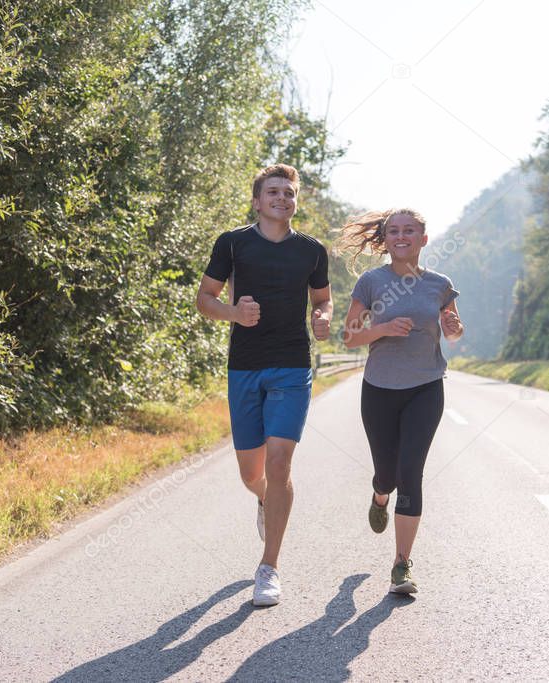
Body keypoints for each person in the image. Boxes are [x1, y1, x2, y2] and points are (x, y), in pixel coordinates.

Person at [195, 164, 332, 606]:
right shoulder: (232, 244)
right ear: (257, 201)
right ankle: (265, 501)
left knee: (278, 464)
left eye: (288, 193)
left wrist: (323, 316)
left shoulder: (311, 250)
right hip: (245, 367)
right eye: (272, 192)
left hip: (292, 366)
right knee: (251, 474)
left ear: (295, 202)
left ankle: (268, 567)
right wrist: (233, 314)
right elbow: (205, 299)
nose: (282, 198)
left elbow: (322, 297)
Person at [337, 208, 463, 594]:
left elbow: (454, 332)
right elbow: (348, 337)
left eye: (410, 231)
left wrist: (454, 328)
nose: (402, 236)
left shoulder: (440, 284)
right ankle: (379, 493)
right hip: (379, 388)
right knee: (387, 474)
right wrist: (383, 329)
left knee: (411, 472)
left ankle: (401, 565)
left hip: (426, 386)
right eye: (394, 231)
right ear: (386, 240)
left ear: (424, 239)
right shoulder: (371, 282)